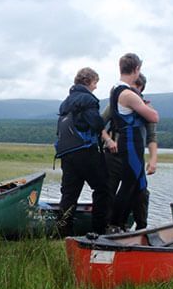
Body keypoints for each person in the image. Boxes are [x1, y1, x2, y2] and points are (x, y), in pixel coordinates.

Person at [54, 67, 110, 236]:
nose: (96, 87)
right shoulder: (88, 99)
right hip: (86, 152)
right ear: (87, 82)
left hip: (67, 153)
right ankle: (99, 230)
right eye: (95, 83)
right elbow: (96, 123)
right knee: (103, 188)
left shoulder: (66, 101)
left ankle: (63, 232)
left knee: (69, 194)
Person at [109, 53, 159, 231]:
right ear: (136, 69)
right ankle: (114, 224)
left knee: (139, 184)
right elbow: (154, 116)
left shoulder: (116, 89)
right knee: (129, 184)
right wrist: (144, 106)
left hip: (130, 142)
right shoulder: (127, 93)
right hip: (131, 143)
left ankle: (136, 226)